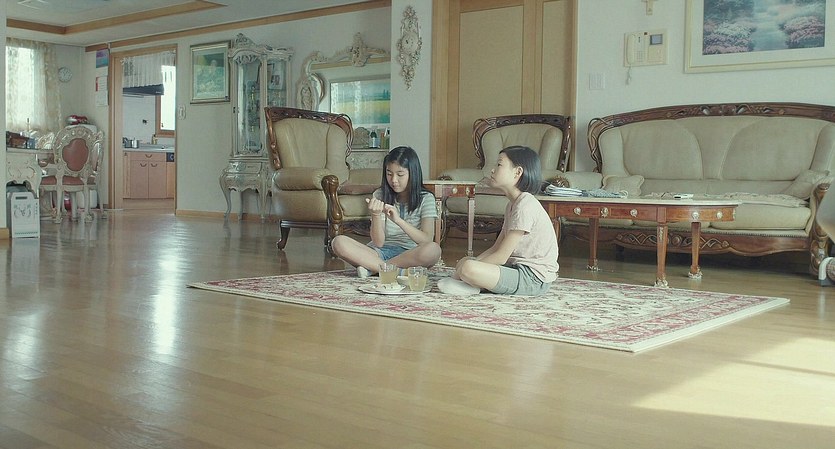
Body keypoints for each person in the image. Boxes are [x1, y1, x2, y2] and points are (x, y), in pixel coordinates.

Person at [439, 145, 559, 296]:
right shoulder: (512, 205)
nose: (492, 170)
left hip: (533, 279)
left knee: (468, 268)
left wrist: (465, 270)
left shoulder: (526, 205)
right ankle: (472, 284)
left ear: (518, 172)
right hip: (515, 269)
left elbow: (501, 257)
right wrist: (468, 265)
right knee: (466, 262)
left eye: (499, 164)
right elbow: (496, 248)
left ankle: (471, 285)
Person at [331, 146, 441, 277]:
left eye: (400, 175)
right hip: (379, 252)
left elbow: (426, 239)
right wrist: (376, 215)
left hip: (410, 254)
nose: (393, 180)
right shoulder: (379, 194)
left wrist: (398, 220)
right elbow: (379, 243)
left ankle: (374, 268)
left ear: (413, 173)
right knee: (338, 242)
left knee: (433, 250)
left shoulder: (426, 198)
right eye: (389, 174)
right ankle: (396, 271)